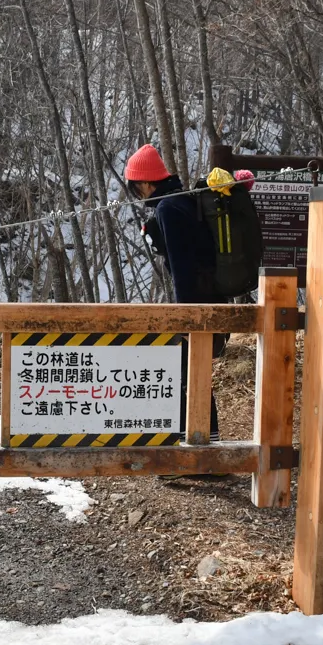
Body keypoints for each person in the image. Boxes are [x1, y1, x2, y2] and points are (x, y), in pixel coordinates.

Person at [123, 143, 221, 442]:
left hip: (197, 302)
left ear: (145, 183)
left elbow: (182, 266)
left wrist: (184, 315)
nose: (137, 195)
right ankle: (203, 443)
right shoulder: (181, 201)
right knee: (192, 373)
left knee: (186, 375)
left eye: (135, 188)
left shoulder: (168, 209)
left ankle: (197, 447)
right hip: (209, 296)